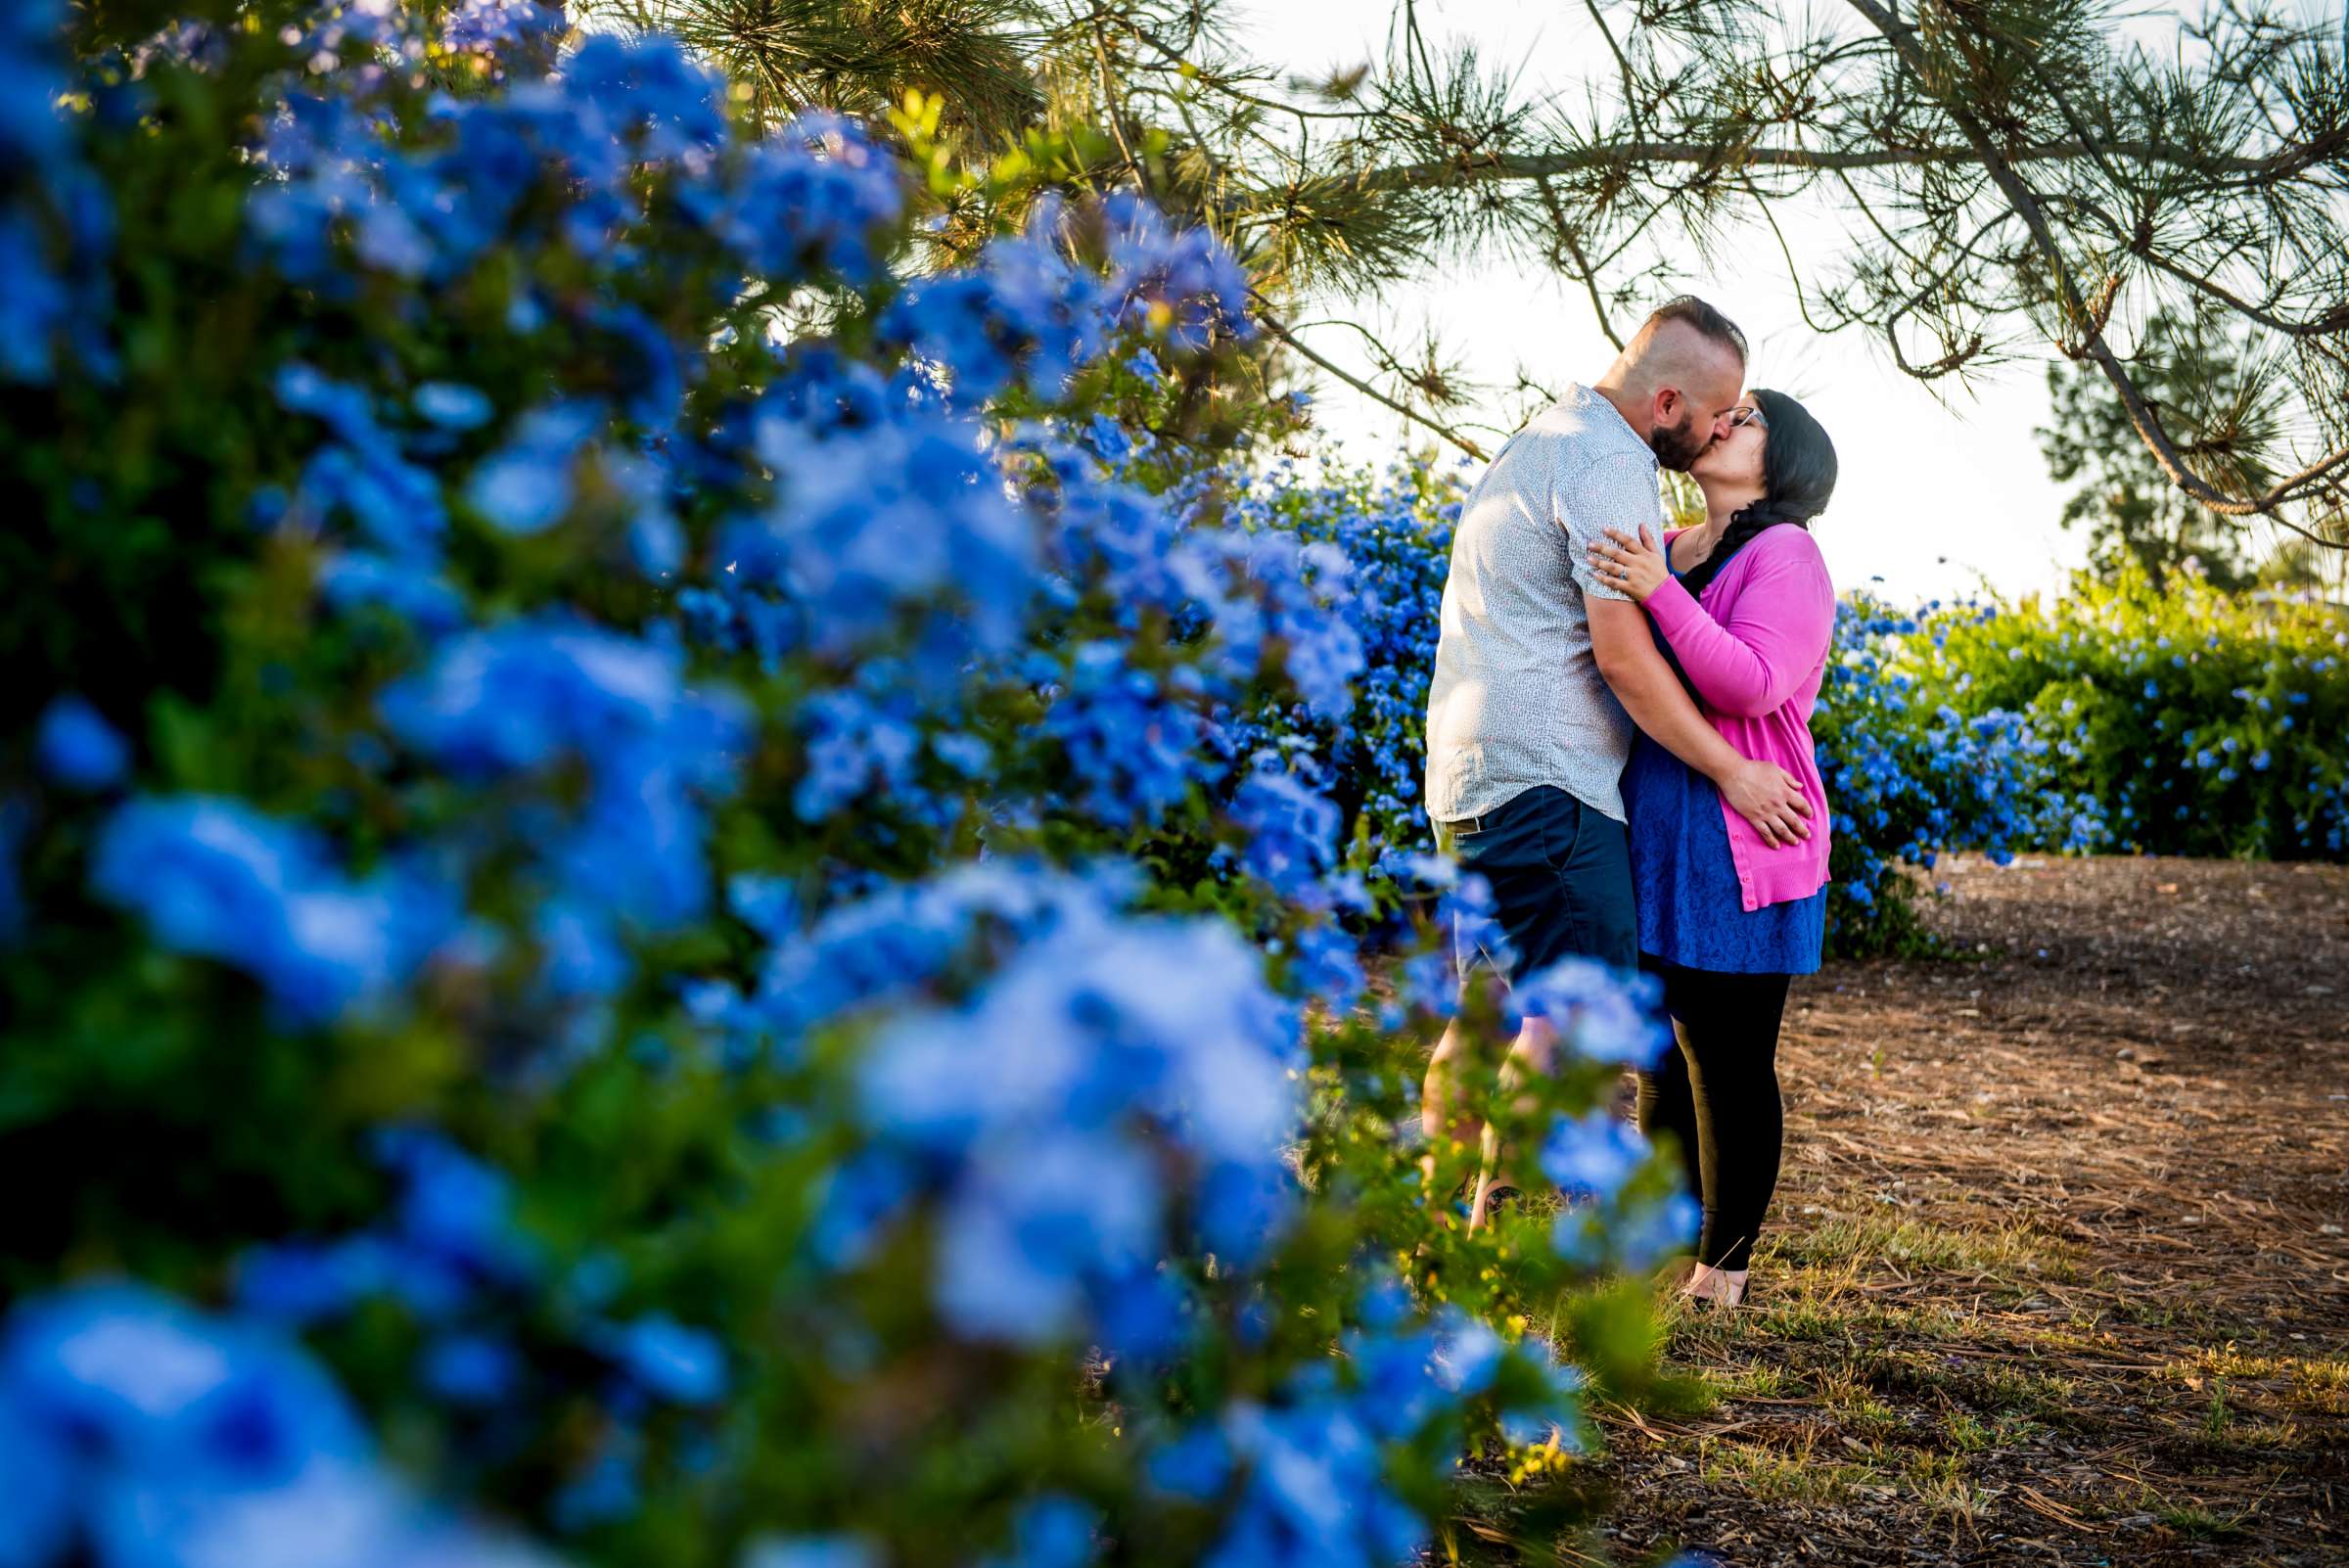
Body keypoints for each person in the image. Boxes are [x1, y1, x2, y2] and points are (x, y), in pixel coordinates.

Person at [1420, 298, 1816, 1227]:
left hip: (1474, 777)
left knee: (1485, 1019)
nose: (1724, 428)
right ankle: (1511, 1248)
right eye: (1720, 413)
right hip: (1549, 786)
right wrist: (1731, 770)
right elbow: (1625, 657)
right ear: (1669, 402)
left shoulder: (1545, 436)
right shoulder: (1609, 462)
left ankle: (1427, 1232)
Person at [1586, 387, 1840, 1309]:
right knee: (1655, 1052)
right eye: (1727, 410)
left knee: (1728, 1061)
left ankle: (1722, 1269)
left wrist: (1656, 590)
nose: (1725, 420)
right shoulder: (1674, 545)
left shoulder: (1788, 553)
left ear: (1789, 461)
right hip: (1650, 825)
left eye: (1753, 418)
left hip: (1748, 833)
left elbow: (1752, 682)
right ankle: (1666, 1245)